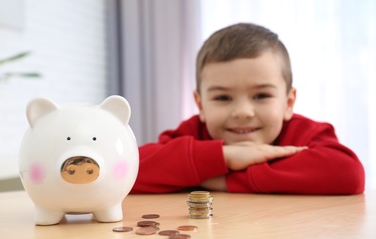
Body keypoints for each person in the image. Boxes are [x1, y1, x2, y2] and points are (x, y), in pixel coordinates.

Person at [131, 23, 365, 194]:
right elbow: (127, 169)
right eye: (223, 97)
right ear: (200, 105)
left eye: (261, 95)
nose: (243, 112)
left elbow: (348, 174)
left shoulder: (304, 133)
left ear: (288, 103)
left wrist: (224, 180)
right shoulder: (193, 132)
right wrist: (226, 156)